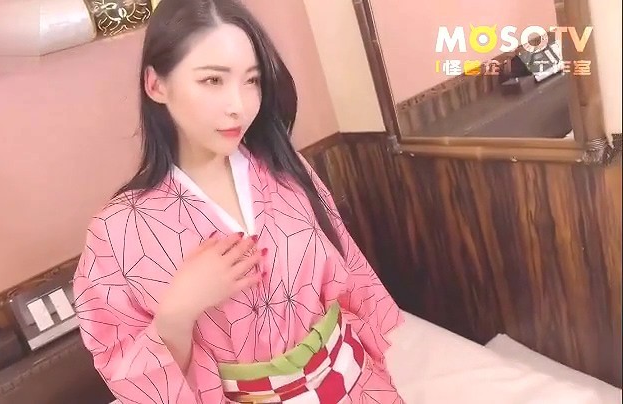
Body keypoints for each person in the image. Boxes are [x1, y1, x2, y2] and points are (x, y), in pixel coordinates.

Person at [72, 0, 404, 402]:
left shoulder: (286, 167)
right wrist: (177, 312)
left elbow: (350, 274)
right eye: (213, 80)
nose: (239, 106)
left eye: (252, 80)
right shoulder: (115, 232)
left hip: (352, 382)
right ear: (156, 85)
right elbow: (126, 370)